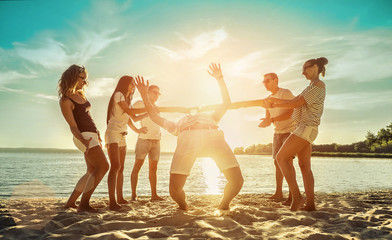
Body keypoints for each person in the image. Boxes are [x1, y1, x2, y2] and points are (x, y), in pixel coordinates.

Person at [134, 63, 244, 211]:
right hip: (188, 139)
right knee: (174, 191)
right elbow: (154, 116)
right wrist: (143, 94)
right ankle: (183, 205)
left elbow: (226, 103)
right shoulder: (178, 123)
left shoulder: (211, 117)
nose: (193, 112)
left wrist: (220, 78)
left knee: (237, 182)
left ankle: (224, 204)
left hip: (213, 135)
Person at [265, 57, 328, 211]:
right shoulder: (311, 86)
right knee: (304, 166)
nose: (303, 72)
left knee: (280, 158)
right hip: (306, 128)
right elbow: (295, 101)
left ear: (314, 67)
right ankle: (310, 204)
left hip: (305, 128)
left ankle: (297, 197)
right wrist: (273, 102)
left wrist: (274, 102)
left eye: (305, 68)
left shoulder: (318, 85)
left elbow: (294, 104)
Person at [58, 64, 109, 212]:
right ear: (73, 77)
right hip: (83, 136)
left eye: (86, 80)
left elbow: (88, 116)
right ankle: (84, 204)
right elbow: (73, 126)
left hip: (92, 134)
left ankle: (70, 203)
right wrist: (83, 140)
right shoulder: (65, 101)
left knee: (91, 170)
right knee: (104, 167)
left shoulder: (80, 95)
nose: (85, 82)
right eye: (82, 79)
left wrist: (97, 133)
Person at [105, 76, 148, 210]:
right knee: (115, 166)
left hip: (122, 136)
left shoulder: (127, 100)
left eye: (133, 85)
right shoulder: (118, 95)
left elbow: (131, 118)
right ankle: (112, 201)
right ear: (125, 84)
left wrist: (139, 128)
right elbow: (130, 112)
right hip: (112, 134)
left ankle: (120, 198)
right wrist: (149, 107)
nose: (133, 86)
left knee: (121, 168)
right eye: (131, 84)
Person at [258, 73, 295, 203]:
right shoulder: (267, 99)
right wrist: (266, 121)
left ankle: (293, 195)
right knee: (277, 162)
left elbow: (292, 111)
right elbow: (269, 118)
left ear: (275, 80)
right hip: (277, 132)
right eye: (264, 82)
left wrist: (271, 119)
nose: (265, 83)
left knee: (288, 162)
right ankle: (279, 192)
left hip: (290, 131)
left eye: (267, 81)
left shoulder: (285, 93)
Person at [131, 85, 164, 201]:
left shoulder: (157, 107)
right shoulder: (140, 102)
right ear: (147, 92)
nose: (156, 95)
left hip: (156, 141)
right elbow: (129, 115)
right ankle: (133, 195)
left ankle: (154, 195)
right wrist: (136, 130)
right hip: (144, 140)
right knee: (137, 167)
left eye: (158, 93)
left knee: (153, 169)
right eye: (154, 92)